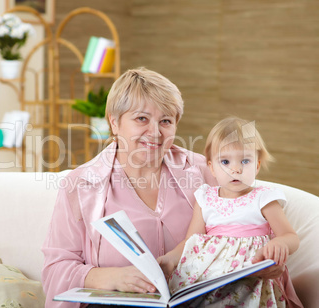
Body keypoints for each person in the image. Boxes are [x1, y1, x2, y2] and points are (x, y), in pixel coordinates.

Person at [41, 68, 284, 308]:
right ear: (115, 123)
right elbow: (56, 270)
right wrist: (111, 277)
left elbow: (253, 225)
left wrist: (267, 262)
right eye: (141, 119)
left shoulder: (204, 171)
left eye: (165, 121)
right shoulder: (80, 185)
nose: (155, 132)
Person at [158, 117, 302, 307]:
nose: (236, 169)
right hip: (210, 279)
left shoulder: (264, 199)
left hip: (250, 277)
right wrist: (171, 259)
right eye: (225, 161)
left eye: (245, 160)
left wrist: (280, 243)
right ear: (212, 168)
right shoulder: (206, 197)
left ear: (257, 165)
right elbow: (190, 240)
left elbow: (290, 236)